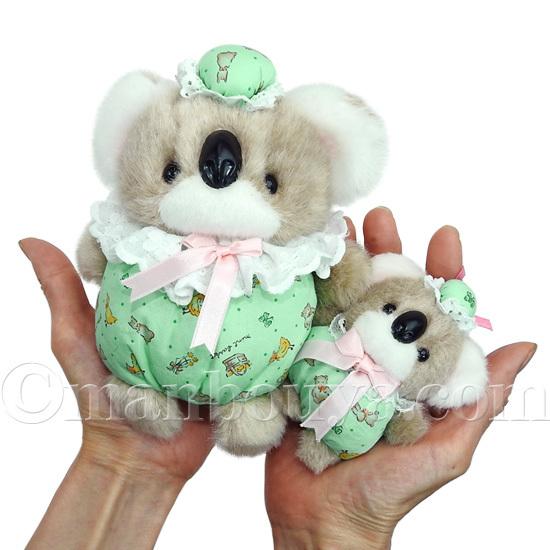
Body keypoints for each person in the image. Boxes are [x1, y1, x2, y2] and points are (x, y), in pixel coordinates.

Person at [21, 207, 536, 550]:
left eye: (424, 353)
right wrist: (124, 461)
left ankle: (263, 406)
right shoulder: (327, 332)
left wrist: (342, 526)